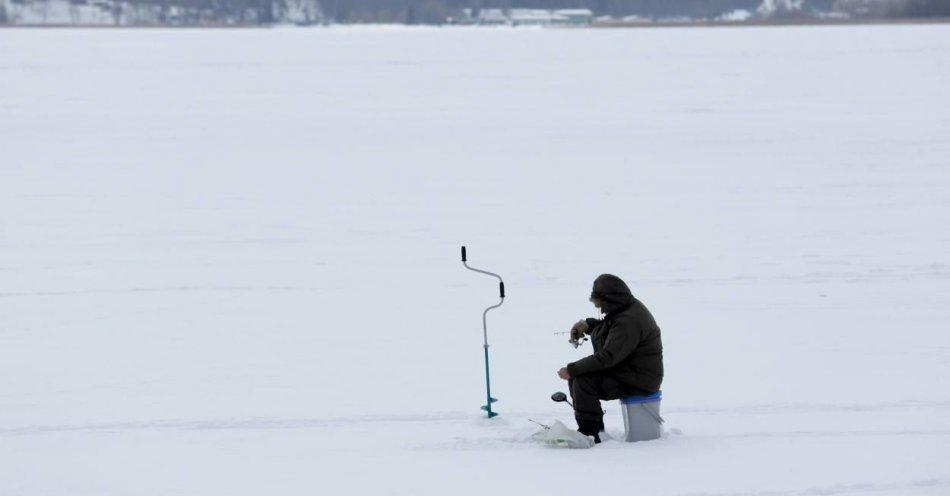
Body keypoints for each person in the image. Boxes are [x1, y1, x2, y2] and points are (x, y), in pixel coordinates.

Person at [557, 274, 663, 443]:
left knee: (584, 382)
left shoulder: (628, 320)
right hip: (629, 371)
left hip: (639, 379)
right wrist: (588, 325)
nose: (597, 306)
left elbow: (607, 357)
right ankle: (594, 429)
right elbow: (611, 330)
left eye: (598, 302)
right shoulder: (624, 309)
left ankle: (590, 433)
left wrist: (571, 369)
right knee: (580, 379)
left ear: (609, 299)